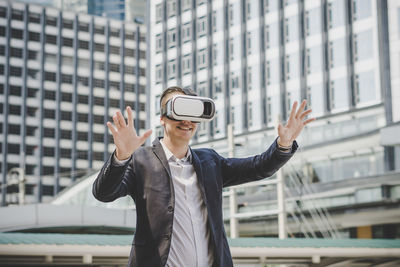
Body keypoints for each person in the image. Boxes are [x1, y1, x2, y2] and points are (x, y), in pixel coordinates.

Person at [93, 86, 315, 267]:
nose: (187, 120)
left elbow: (258, 167)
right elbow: (103, 193)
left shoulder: (210, 161)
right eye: (180, 111)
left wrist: (283, 145)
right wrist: (121, 156)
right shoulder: (141, 159)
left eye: (193, 114)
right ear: (163, 118)